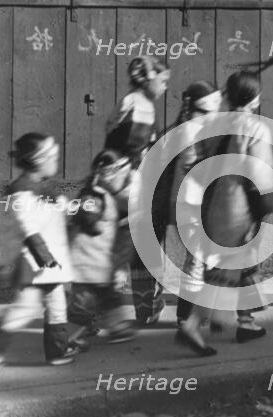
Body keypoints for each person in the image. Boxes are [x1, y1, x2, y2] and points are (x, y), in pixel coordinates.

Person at [176, 71, 273, 356]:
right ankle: (194, 325)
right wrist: (266, 205)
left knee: (235, 266)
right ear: (254, 98)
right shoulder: (256, 128)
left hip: (212, 206)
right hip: (238, 206)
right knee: (225, 271)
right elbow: (260, 172)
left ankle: (243, 322)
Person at [0, 133, 78, 372]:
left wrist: (85, 210)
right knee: (25, 308)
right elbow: (27, 227)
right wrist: (46, 260)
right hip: (35, 263)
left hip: (51, 263)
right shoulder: (21, 192)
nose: (56, 161)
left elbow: (67, 209)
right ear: (39, 161)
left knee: (57, 305)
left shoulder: (47, 187)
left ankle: (57, 351)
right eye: (52, 157)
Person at [104, 56, 171, 325]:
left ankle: (141, 309)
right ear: (147, 78)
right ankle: (144, 308)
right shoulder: (140, 106)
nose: (165, 87)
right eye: (163, 80)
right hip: (133, 186)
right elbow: (134, 151)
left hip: (121, 185)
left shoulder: (133, 101)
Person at [163, 81, 222, 328]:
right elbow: (195, 170)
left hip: (192, 202)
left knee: (202, 258)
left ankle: (198, 314)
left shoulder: (189, 127)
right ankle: (186, 317)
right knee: (198, 259)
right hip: (192, 203)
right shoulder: (191, 130)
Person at [66, 150, 138, 351]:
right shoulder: (94, 194)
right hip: (87, 262)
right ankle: (65, 339)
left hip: (100, 262)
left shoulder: (101, 193)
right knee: (82, 306)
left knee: (109, 296)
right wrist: (93, 222)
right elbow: (86, 216)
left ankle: (118, 327)